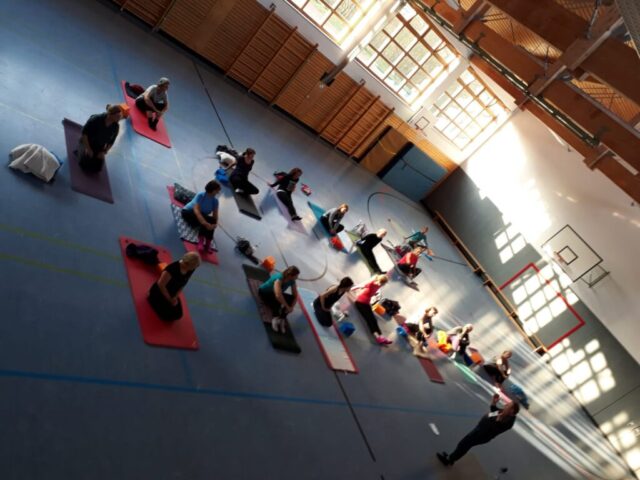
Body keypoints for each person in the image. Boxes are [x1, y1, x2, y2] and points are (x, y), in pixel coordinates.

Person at [437, 394, 520, 467]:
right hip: (480, 429)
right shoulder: (505, 412)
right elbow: (493, 411)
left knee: (464, 444)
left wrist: (498, 420)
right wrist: (494, 402)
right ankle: (452, 458)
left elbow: (495, 429)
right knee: (465, 444)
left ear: (512, 410)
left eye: (508, 405)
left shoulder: (509, 422)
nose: (506, 404)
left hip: (482, 435)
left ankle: (449, 460)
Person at [147, 252, 201, 321]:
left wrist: (175, 296)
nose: (193, 269)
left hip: (173, 292)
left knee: (178, 314)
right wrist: (169, 299)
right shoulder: (172, 268)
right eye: (193, 267)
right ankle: (151, 296)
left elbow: (183, 284)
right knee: (166, 316)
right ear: (187, 264)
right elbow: (161, 285)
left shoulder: (190, 269)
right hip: (161, 291)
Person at [78, 104, 123, 172]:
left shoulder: (116, 127)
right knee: (84, 164)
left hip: (99, 146)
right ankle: (81, 149)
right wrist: (88, 148)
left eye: (120, 116)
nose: (120, 118)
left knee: (97, 168)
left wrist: (104, 151)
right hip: (87, 142)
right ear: (110, 115)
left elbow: (111, 142)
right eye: (118, 116)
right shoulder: (96, 119)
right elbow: (84, 134)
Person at [181, 180, 220, 253]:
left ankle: (208, 243)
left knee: (211, 220)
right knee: (205, 219)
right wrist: (205, 223)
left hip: (200, 216)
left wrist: (214, 225)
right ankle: (201, 241)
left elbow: (215, 215)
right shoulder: (201, 195)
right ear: (213, 190)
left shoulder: (215, 201)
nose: (218, 192)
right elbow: (196, 211)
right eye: (217, 190)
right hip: (189, 213)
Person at [258, 266, 300, 333]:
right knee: (278, 301)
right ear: (290, 276)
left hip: (275, 294)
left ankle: (282, 318)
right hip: (265, 294)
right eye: (296, 276)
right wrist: (287, 307)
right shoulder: (279, 279)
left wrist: (291, 307)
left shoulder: (292, 281)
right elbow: (278, 296)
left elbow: (295, 295)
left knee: (290, 298)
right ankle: (275, 317)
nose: (297, 278)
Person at [353, 274, 392, 346]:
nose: (382, 285)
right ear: (380, 281)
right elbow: (362, 285)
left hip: (366, 303)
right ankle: (378, 337)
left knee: (374, 320)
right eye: (382, 283)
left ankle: (381, 336)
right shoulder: (372, 283)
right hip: (360, 302)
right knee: (369, 320)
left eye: (383, 284)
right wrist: (352, 288)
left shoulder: (378, 286)